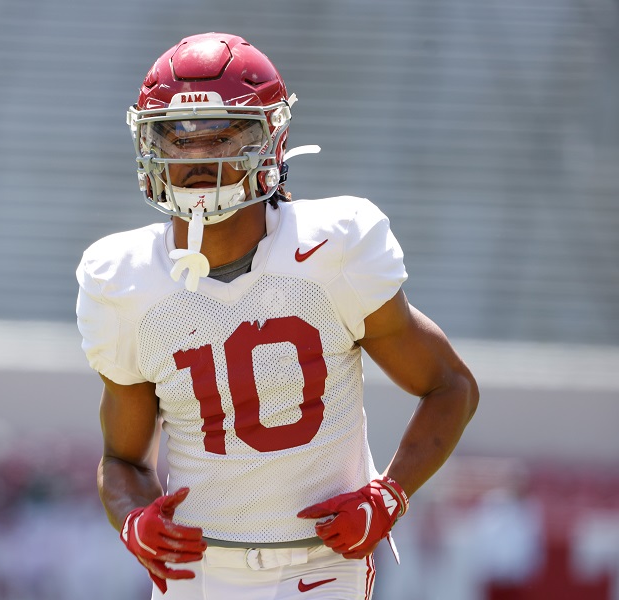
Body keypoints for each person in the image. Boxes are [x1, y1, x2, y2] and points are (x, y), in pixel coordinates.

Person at [75, 32, 479, 599]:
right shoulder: (124, 278)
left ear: (272, 140)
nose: (197, 159)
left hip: (321, 563)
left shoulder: (331, 249)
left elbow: (450, 385)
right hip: (198, 568)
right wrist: (134, 519)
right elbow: (122, 458)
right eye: (176, 137)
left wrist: (388, 495)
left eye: (222, 137)